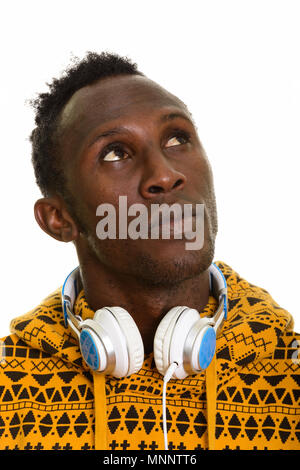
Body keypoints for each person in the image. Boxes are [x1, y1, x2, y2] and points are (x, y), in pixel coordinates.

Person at [0, 52, 299, 452]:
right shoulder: (9, 390)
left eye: (177, 138)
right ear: (58, 218)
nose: (164, 175)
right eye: (115, 153)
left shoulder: (289, 375)